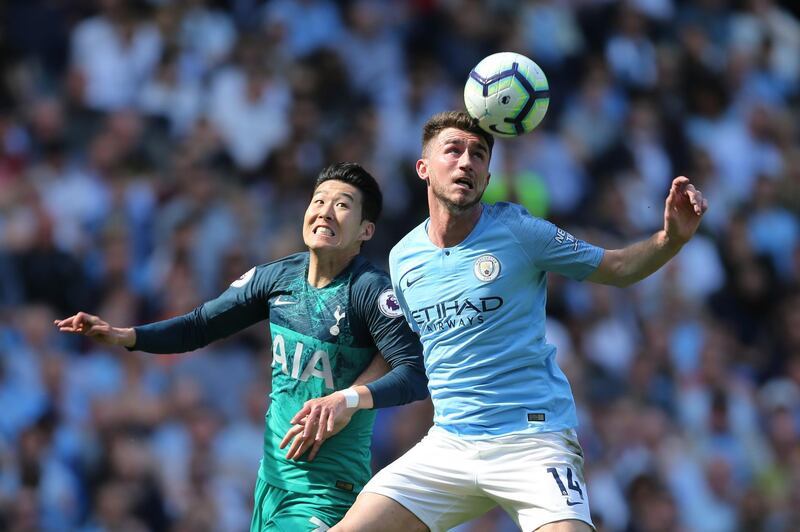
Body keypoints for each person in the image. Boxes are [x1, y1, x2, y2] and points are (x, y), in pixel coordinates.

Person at [321, 111, 708, 532]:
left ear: (487, 177)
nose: (467, 161)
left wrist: (670, 239)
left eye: (479, 155)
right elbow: (407, 353)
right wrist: (350, 397)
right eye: (453, 150)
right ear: (424, 169)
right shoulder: (403, 258)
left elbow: (616, 268)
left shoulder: (520, 232)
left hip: (533, 441)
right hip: (450, 443)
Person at [54, 162, 429, 532]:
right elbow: (200, 326)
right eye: (318, 201)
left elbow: (413, 373)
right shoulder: (278, 277)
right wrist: (126, 335)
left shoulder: (369, 291)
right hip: (270, 483)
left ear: (366, 229)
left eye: (342, 204)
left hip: (325, 491)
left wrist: (348, 399)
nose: (325, 212)